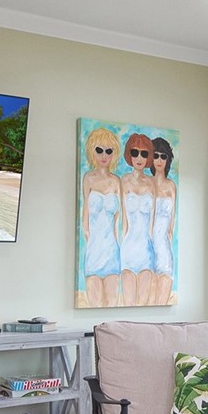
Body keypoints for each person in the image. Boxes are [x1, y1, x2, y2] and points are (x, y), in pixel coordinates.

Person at [80, 128, 124, 307]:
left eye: (109, 151)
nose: (104, 155)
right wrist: (89, 238)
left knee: (112, 302)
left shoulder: (116, 181)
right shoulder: (88, 179)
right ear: (92, 151)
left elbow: (119, 218)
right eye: (99, 150)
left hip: (112, 248)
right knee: (95, 302)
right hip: (94, 247)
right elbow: (85, 213)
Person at [119, 132, 157, 306]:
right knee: (127, 303)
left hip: (146, 249)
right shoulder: (124, 181)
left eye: (144, 153)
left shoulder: (152, 183)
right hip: (128, 247)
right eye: (135, 153)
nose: (139, 158)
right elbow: (122, 219)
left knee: (143, 304)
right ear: (129, 155)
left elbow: (153, 220)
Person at [148, 137, 177, 304]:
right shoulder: (146, 183)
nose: (159, 160)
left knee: (163, 294)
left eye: (163, 156)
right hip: (146, 245)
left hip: (164, 244)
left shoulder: (171, 186)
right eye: (156, 155)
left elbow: (172, 222)